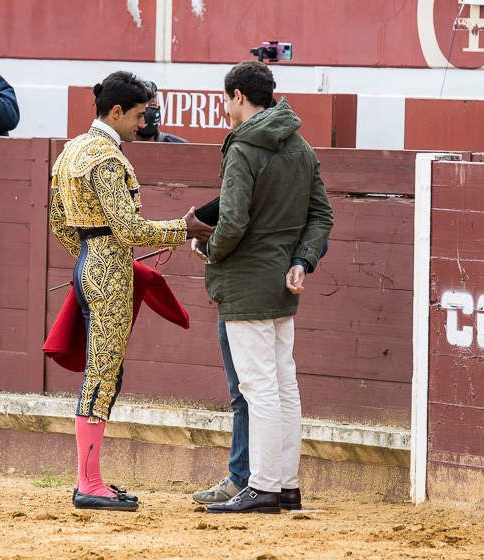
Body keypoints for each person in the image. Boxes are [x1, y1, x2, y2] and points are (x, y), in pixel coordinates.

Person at [48, 71, 212, 511]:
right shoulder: (105, 157)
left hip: (89, 262)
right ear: (116, 112)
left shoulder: (71, 151)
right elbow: (127, 228)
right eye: (139, 115)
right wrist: (185, 228)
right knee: (103, 375)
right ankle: (88, 484)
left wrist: (91, 253)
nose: (144, 124)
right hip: (108, 269)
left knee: (105, 373)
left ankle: (92, 478)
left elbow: (60, 223)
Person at [201, 61, 333, 514]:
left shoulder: (242, 147)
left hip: (245, 283)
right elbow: (321, 216)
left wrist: (210, 250)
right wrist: (302, 260)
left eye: (226, 100)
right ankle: (287, 485)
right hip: (282, 284)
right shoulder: (301, 148)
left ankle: (262, 486)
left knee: (259, 389)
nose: (225, 108)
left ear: (239, 96)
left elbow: (233, 220)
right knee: (283, 386)